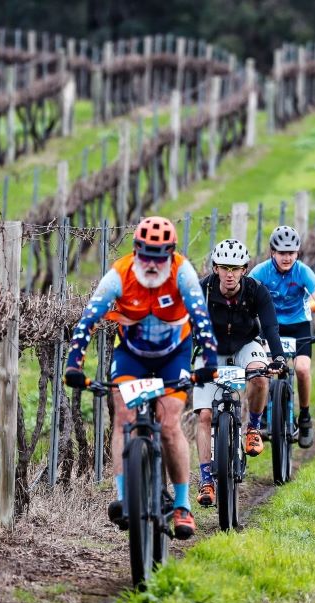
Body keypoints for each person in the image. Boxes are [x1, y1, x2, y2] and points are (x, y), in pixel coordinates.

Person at [63, 216, 218, 541]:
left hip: (173, 354)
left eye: (159, 255)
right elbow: (87, 320)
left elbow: (202, 319)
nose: (152, 262)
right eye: (145, 254)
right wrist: (73, 364)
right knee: (123, 416)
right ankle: (123, 496)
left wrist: (209, 361)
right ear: (136, 251)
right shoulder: (118, 275)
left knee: (170, 422)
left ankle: (181, 505)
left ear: (171, 253)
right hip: (131, 354)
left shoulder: (183, 273)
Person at [193, 239, 285, 507]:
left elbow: (270, 326)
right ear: (215, 268)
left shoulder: (257, 291)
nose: (230, 274)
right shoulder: (203, 291)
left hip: (246, 344)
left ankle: (253, 428)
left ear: (245, 269)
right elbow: (188, 327)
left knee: (260, 376)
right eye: (224, 268)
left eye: (235, 268)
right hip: (211, 349)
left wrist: (277, 357)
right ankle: (206, 479)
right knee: (204, 415)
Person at [250, 226, 315, 449]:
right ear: (272, 252)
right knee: (263, 370)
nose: (287, 257)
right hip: (271, 327)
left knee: (302, 369)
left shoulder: (303, 272)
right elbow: (244, 296)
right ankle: (262, 418)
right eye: (282, 252)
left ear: (297, 253)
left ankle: (305, 417)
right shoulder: (261, 272)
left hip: (299, 325)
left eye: (291, 252)